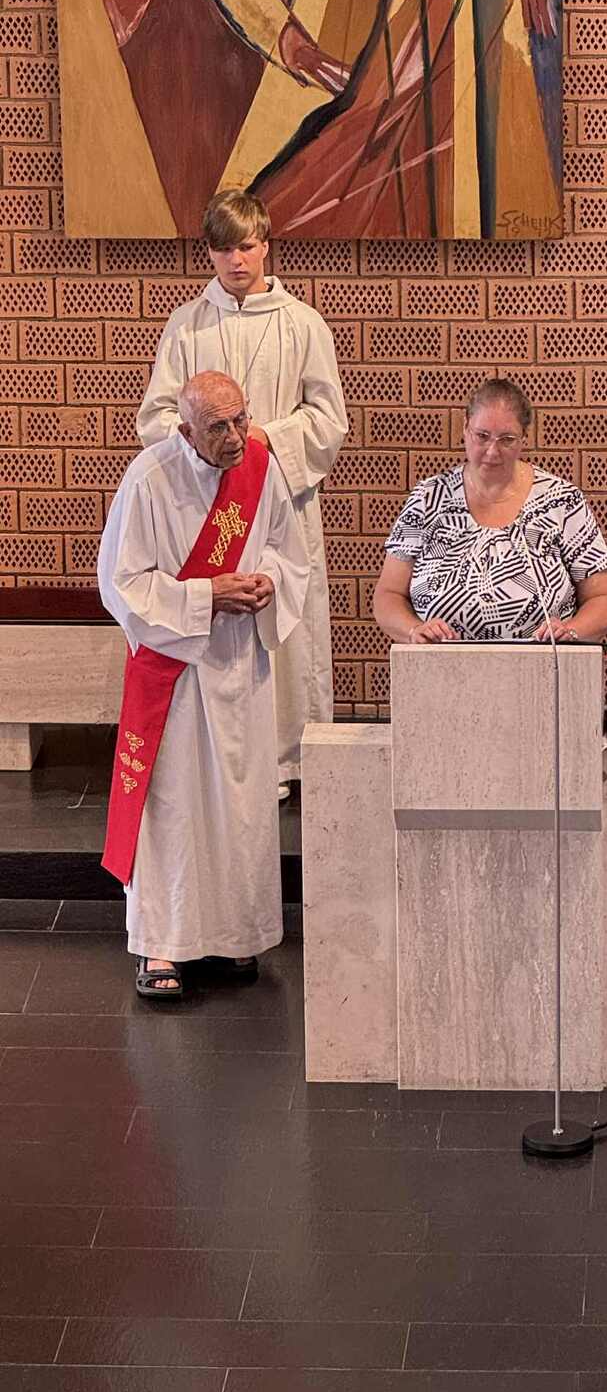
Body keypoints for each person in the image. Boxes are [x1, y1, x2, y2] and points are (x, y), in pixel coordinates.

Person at [99, 372, 310, 1000]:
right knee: (173, 805)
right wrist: (204, 595)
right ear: (186, 430)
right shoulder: (150, 480)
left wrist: (269, 579)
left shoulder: (261, 468)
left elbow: (287, 550)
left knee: (240, 802)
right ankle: (162, 943)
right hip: (175, 674)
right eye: (218, 427)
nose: (236, 437)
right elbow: (122, 584)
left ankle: (234, 932)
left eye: (241, 419)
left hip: (241, 665)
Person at [137, 188, 347, 799]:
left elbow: (328, 421)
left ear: (266, 246)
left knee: (283, 629)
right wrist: (209, 454)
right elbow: (157, 418)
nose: (237, 260)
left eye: (248, 247)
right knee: (219, 631)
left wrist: (259, 443)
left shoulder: (302, 324)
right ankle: (221, 762)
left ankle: (289, 761)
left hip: (279, 508)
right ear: (208, 252)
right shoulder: (187, 325)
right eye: (224, 249)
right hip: (205, 514)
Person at [374, 378, 607, 645]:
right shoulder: (427, 498)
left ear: (524, 438)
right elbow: (388, 595)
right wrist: (413, 630)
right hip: (439, 665)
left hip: (543, 664)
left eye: (507, 440)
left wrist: (572, 630)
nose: (492, 451)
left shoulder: (562, 501)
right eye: (482, 436)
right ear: (465, 428)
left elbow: (603, 597)